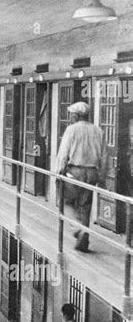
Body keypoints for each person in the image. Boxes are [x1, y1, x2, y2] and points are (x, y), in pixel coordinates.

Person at [55, 102, 107, 252]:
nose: (71, 117)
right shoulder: (98, 131)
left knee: (65, 202)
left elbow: (63, 153)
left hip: (74, 172)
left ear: (76, 116)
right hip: (91, 173)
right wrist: (102, 178)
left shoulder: (71, 130)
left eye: (72, 114)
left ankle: (78, 229)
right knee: (85, 207)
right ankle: (83, 241)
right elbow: (104, 157)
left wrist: (59, 172)